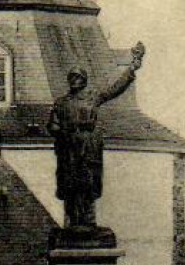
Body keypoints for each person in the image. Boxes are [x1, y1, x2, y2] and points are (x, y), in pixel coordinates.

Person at [47, 43, 145, 232]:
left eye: (78, 77)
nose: (75, 80)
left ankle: (88, 221)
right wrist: (59, 130)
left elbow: (115, 89)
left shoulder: (93, 97)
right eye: (72, 77)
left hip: (89, 146)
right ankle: (72, 222)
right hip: (69, 148)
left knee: (88, 183)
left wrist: (131, 68)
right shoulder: (61, 103)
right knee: (70, 184)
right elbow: (53, 125)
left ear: (84, 80)